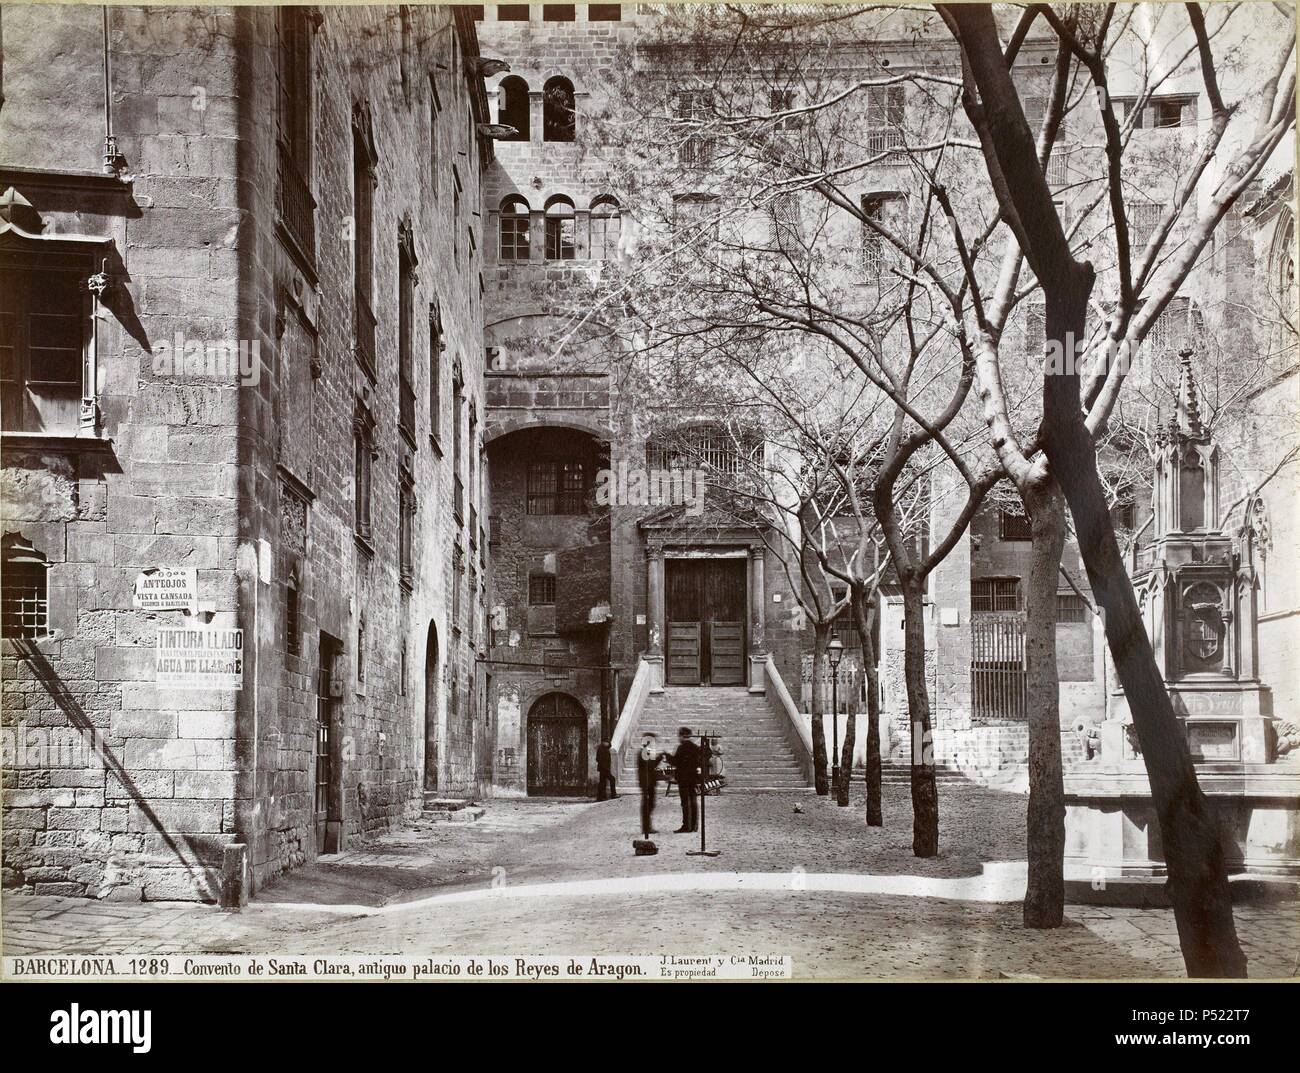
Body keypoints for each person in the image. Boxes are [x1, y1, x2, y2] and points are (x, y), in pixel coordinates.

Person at [671, 726, 701, 833]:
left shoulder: (681, 747)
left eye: (679, 736)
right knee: (693, 801)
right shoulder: (695, 747)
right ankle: (694, 825)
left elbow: (675, 762)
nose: (678, 738)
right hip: (693, 778)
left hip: (683, 778)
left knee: (685, 802)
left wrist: (667, 756)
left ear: (682, 736)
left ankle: (686, 825)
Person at [636, 733, 660, 837]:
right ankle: (646, 827)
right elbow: (650, 765)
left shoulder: (645, 752)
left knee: (650, 804)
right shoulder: (644, 752)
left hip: (649, 781)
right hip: (647, 782)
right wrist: (659, 758)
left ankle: (647, 826)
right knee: (648, 805)